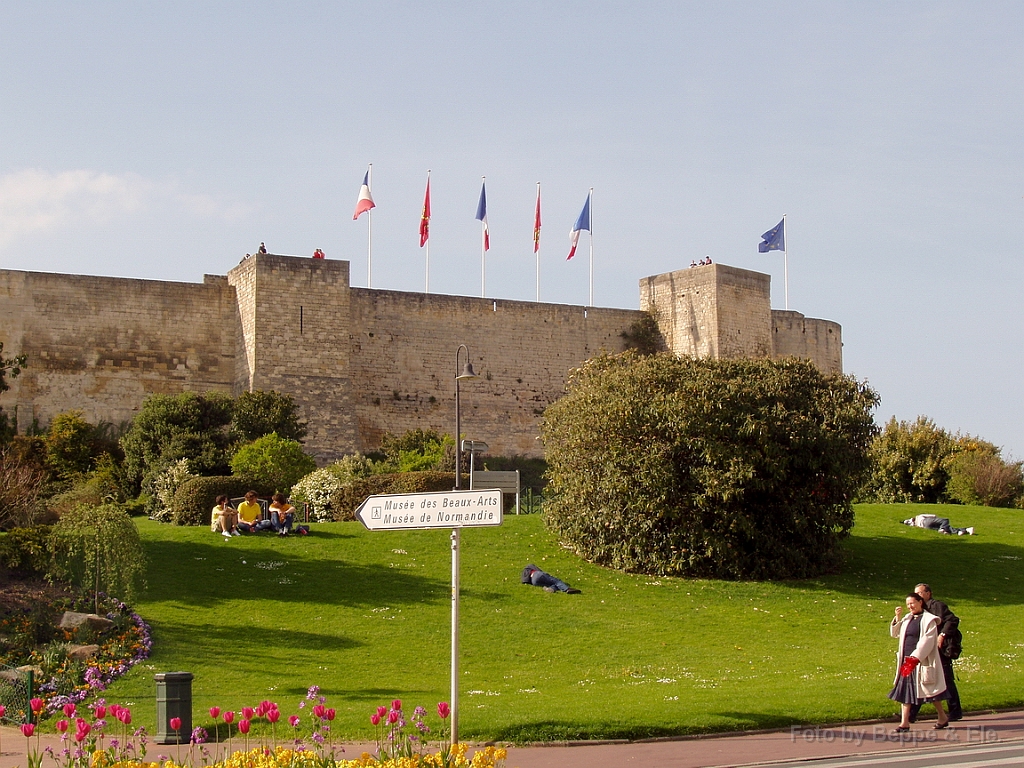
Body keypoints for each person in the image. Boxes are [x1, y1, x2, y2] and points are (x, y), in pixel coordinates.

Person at [888, 592, 950, 732]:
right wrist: (897, 618)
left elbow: (927, 641)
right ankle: (904, 723)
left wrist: (915, 658)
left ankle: (942, 716)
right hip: (906, 661)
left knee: (930, 692)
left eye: (912, 603)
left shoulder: (929, 620)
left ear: (920, 602)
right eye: (908, 604)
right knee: (905, 691)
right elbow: (895, 634)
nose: (910, 606)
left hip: (919, 661)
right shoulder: (907, 618)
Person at [910, 583, 963, 722]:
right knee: (922, 679)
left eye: (920, 593)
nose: (917, 596)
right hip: (925, 649)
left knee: (945, 679)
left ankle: (955, 711)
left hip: (939, 650)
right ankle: (910, 714)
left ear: (928, 593)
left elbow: (952, 619)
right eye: (916, 593)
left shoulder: (937, 606)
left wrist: (943, 635)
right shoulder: (918, 610)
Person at [902, 514, 974, 536]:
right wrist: (936, 519)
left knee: (947, 528)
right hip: (926, 521)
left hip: (926, 527)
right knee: (945, 520)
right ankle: (943, 528)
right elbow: (933, 515)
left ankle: (963, 530)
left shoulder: (914, 525)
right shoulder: (919, 516)